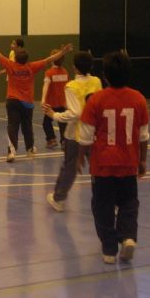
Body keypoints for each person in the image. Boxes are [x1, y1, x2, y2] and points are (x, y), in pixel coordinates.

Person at [77, 51, 149, 264]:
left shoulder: (96, 100)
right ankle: (127, 237)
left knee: (102, 206)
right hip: (128, 163)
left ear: (105, 75)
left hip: (102, 166)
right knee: (128, 202)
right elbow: (143, 135)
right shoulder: (139, 99)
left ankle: (109, 248)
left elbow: (86, 136)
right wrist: (142, 160)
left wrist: (80, 157)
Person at [0, 33, 73, 160]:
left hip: (12, 100)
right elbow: (49, 59)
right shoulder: (32, 67)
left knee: (13, 126)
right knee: (27, 126)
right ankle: (29, 150)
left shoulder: (10, 65)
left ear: (16, 58)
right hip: (27, 103)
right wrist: (63, 52)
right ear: (27, 59)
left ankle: (12, 152)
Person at [43, 51, 102, 212]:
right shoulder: (97, 81)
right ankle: (110, 201)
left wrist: (54, 115)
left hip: (77, 134)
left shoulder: (71, 86)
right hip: (95, 132)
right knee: (99, 168)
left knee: (70, 167)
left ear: (75, 67)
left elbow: (75, 113)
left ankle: (58, 199)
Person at [41, 49, 69, 149]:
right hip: (63, 103)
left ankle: (51, 140)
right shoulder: (65, 72)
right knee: (62, 124)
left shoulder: (49, 73)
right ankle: (64, 142)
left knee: (46, 123)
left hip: (51, 104)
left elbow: (46, 86)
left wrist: (43, 99)